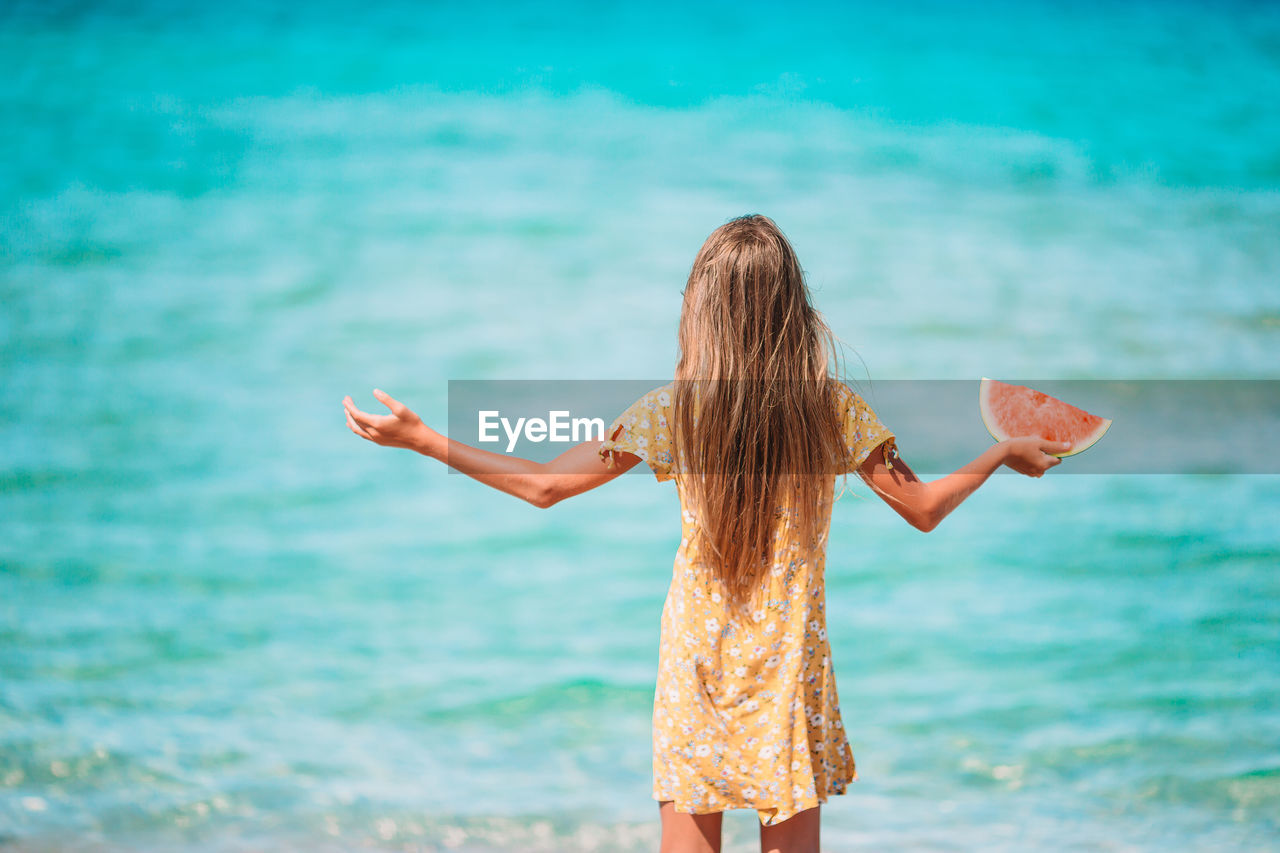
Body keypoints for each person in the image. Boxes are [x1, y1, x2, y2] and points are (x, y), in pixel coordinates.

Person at [342, 214, 1068, 853]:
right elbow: (926, 507)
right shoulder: (831, 411)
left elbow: (544, 485)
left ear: (704, 309)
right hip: (788, 669)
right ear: (792, 306)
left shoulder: (674, 413)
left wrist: (424, 439)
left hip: (698, 667)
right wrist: (1001, 452)